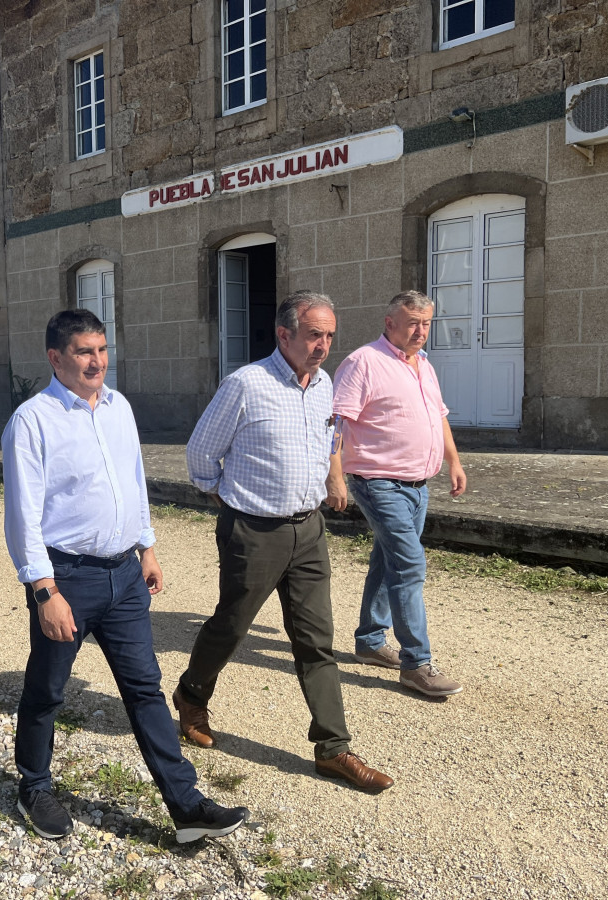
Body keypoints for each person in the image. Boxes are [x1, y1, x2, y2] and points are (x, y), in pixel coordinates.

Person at [2, 308, 250, 843]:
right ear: (55, 358)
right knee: (48, 687)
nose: (98, 361)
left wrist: (148, 548)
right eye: (84, 351)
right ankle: (34, 785)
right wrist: (44, 592)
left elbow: (133, 483)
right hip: (66, 578)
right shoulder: (33, 420)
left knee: (145, 690)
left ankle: (186, 808)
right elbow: (21, 516)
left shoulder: (119, 408)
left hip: (124, 577)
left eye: (102, 348)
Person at [175, 290, 393, 793]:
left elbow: (328, 440)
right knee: (231, 625)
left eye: (330, 336)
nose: (323, 345)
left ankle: (333, 749)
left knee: (316, 641)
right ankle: (191, 695)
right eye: (314, 334)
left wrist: (331, 480)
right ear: (284, 335)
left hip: (309, 530)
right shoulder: (246, 385)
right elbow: (201, 455)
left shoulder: (324, 386)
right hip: (253, 531)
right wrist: (228, 500)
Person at [329, 290, 466, 699]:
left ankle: (370, 642)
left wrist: (454, 461)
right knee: (409, 565)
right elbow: (336, 423)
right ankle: (416, 664)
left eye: (426, 323)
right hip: (377, 482)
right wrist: (334, 478)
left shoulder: (423, 364)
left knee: (387, 561)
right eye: (412, 323)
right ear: (389, 322)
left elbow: (438, 417)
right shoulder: (363, 362)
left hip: (417, 486)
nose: (421, 331)